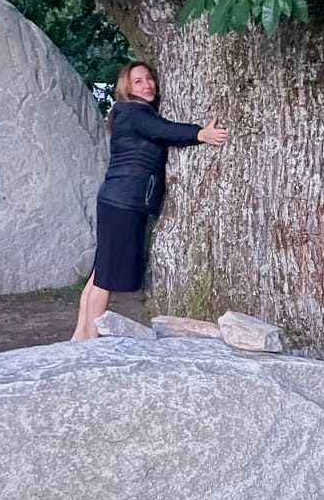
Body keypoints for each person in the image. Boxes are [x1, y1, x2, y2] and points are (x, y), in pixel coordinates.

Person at [71, 61, 228, 340]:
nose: (147, 85)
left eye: (149, 79)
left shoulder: (128, 113)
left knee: (100, 272)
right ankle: (89, 341)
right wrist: (200, 133)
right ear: (127, 88)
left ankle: (80, 335)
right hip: (125, 202)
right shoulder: (133, 112)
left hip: (116, 199)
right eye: (139, 81)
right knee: (105, 278)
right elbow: (165, 130)